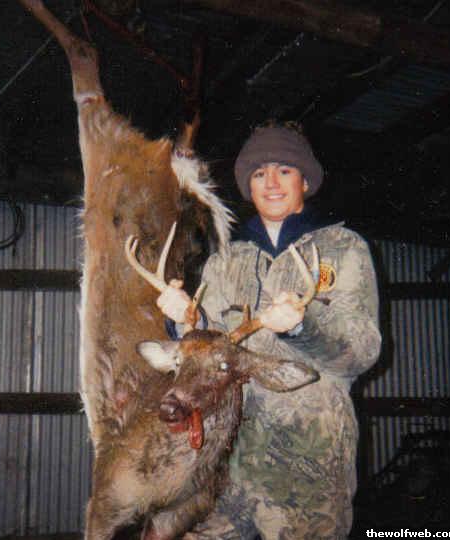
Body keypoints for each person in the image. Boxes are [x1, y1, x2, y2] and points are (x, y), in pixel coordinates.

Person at [156, 123, 382, 539]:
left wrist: (302, 327)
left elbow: (361, 352)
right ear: (248, 186)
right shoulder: (227, 260)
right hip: (229, 463)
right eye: (259, 174)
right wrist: (184, 319)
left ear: (305, 180)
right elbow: (211, 348)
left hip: (309, 466)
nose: (272, 183)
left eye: (284, 170)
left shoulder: (343, 249)